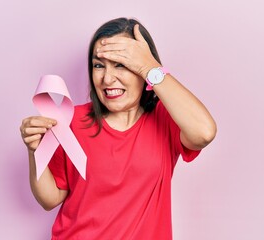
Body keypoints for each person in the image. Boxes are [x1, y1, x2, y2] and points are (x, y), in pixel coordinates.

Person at [20, 17, 216, 240]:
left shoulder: (165, 120)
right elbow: (51, 198)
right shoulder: (71, 121)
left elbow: (204, 132)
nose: (107, 78)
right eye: (98, 65)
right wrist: (35, 150)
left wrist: (150, 67)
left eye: (122, 64)